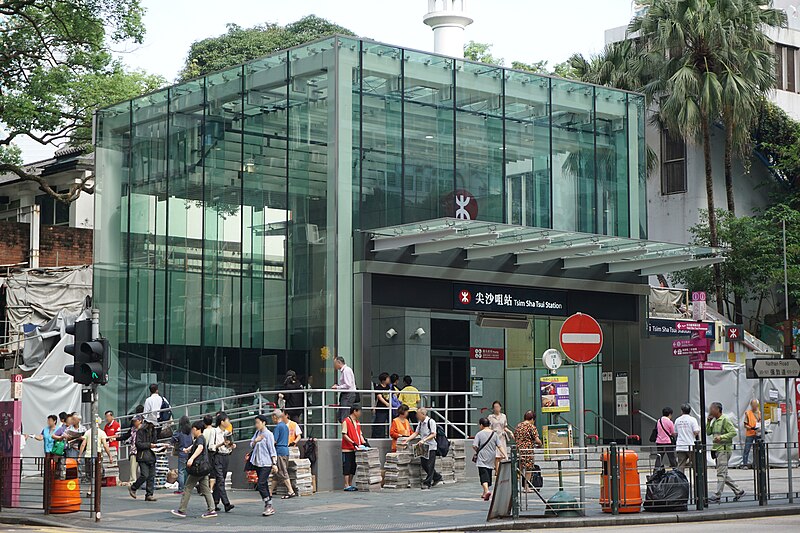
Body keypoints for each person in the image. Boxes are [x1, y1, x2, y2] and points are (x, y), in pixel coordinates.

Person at [171, 421, 217, 519]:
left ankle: (182, 510)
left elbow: (200, 447)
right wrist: (188, 449)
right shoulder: (201, 438)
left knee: (187, 488)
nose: (192, 431)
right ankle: (212, 509)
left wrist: (191, 458)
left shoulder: (200, 438)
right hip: (203, 469)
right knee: (206, 489)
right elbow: (197, 446)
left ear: (196, 429)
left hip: (197, 468)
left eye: (193, 429)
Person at [706, 401, 745, 502]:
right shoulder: (714, 420)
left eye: (712, 409)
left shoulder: (725, 419)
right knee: (723, 473)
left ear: (718, 410)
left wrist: (722, 437)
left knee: (721, 473)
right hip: (717, 449)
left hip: (724, 450)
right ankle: (738, 491)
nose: (710, 410)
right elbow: (708, 432)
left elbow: (733, 432)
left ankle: (717, 495)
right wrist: (708, 422)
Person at [250, 414, 278, 517]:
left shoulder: (268, 434)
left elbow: (272, 449)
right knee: (264, 484)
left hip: (266, 463)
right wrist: (255, 441)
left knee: (261, 483)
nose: (256, 425)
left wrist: (274, 464)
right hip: (257, 462)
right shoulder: (257, 433)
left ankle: (268, 504)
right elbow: (251, 444)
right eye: (255, 423)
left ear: (263, 423)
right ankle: (268, 504)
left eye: (258, 423)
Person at [407, 407, 442, 489]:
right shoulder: (420, 423)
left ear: (423, 414)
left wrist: (424, 440)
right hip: (423, 446)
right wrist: (407, 439)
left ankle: (427, 483)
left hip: (431, 446)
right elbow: (416, 432)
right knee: (424, 464)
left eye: (418, 414)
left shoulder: (431, 422)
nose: (417, 416)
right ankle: (437, 477)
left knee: (430, 465)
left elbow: (433, 434)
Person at [129, 416, 160, 502]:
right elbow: (138, 444)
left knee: (151, 476)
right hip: (142, 456)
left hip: (151, 455)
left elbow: (155, 442)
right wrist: (149, 445)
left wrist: (159, 446)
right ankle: (134, 487)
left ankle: (149, 494)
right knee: (144, 475)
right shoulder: (140, 431)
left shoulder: (154, 431)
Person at [474, 417, 505, 501]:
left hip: (482, 457)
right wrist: (505, 454)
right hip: (491, 457)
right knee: (488, 473)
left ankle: (487, 491)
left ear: (481, 425)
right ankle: (484, 493)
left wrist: (477, 450)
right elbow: (499, 445)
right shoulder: (494, 434)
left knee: (483, 474)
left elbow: (475, 445)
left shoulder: (479, 434)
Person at [211, 412, 235, 512]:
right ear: (222, 422)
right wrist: (221, 444)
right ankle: (226, 503)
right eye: (227, 420)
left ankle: (215, 502)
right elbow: (211, 446)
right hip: (217, 457)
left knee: (221, 480)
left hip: (225, 457)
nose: (228, 422)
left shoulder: (226, 433)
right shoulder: (215, 432)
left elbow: (227, 446)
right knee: (220, 480)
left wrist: (231, 446)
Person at [513, 410, 542, 491]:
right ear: (532, 419)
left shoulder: (518, 426)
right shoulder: (531, 427)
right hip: (528, 450)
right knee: (528, 469)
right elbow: (537, 440)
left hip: (519, 450)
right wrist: (540, 444)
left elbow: (515, 436)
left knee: (519, 468)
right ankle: (526, 487)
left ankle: (515, 486)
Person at [271, 408, 296, 499]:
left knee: (282, 471)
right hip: (286, 450)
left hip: (279, 451)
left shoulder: (278, 427)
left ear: (275, 417)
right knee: (277, 473)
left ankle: (290, 491)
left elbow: (274, 441)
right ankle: (270, 491)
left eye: (272, 417)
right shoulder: (285, 426)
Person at [341, 404, 366, 491]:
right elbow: (344, 434)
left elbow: (360, 435)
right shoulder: (346, 421)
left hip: (356, 449)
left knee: (353, 467)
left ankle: (350, 484)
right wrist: (352, 442)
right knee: (347, 467)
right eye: (359, 411)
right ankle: (346, 484)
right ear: (354, 411)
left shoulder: (358, 423)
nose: (360, 413)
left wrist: (365, 443)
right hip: (347, 448)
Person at [674, 403, 700, 474]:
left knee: (680, 466)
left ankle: (681, 482)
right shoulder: (692, 420)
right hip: (690, 445)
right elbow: (696, 431)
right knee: (695, 466)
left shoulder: (677, 420)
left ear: (682, 411)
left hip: (680, 445)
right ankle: (696, 483)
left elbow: (675, 433)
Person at [487, 401, 512, 471]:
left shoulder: (503, 416)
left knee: (502, 455)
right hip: (494, 436)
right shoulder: (490, 417)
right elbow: (488, 427)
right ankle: (497, 471)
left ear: (500, 407)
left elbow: (505, 427)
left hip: (502, 437)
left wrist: (510, 432)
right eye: (495, 407)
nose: (496, 408)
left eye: (498, 407)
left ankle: (500, 471)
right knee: (496, 455)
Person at [172, 416, 193, 494]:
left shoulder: (179, 432)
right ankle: (187, 488)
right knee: (187, 471)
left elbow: (173, 440)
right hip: (190, 453)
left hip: (182, 452)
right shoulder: (191, 432)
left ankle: (181, 489)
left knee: (181, 471)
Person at [332, 356, 357, 422]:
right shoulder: (345, 370)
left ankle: (347, 431)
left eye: (335, 363)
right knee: (342, 416)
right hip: (346, 395)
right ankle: (346, 430)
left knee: (344, 416)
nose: (334, 365)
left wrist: (337, 387)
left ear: (339, 362)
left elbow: (348, 384)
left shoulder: (346, 370)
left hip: (348, 395)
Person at [741, 399, 761, 469]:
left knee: (757, 450)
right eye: (752, 405)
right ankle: (745, 464)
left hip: (757, 433)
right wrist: (751, 428)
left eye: (755, 405)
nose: (754, 406)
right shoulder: (748, 413)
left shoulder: (759, 413)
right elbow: (745, 424)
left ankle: (755, 464)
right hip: (750, 433)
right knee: (747, 449)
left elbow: (761, 422)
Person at [372, 372, 391, 438]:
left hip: (389, 409)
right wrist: (387, 404)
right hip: (381, 408)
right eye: (387, 378)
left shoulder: (389, 387)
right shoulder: (378, 387)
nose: (389, 379)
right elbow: (379, 397)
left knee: (390, 423)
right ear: (383, 380)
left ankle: (389, 436)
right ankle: (380, 437)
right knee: (380, 424)